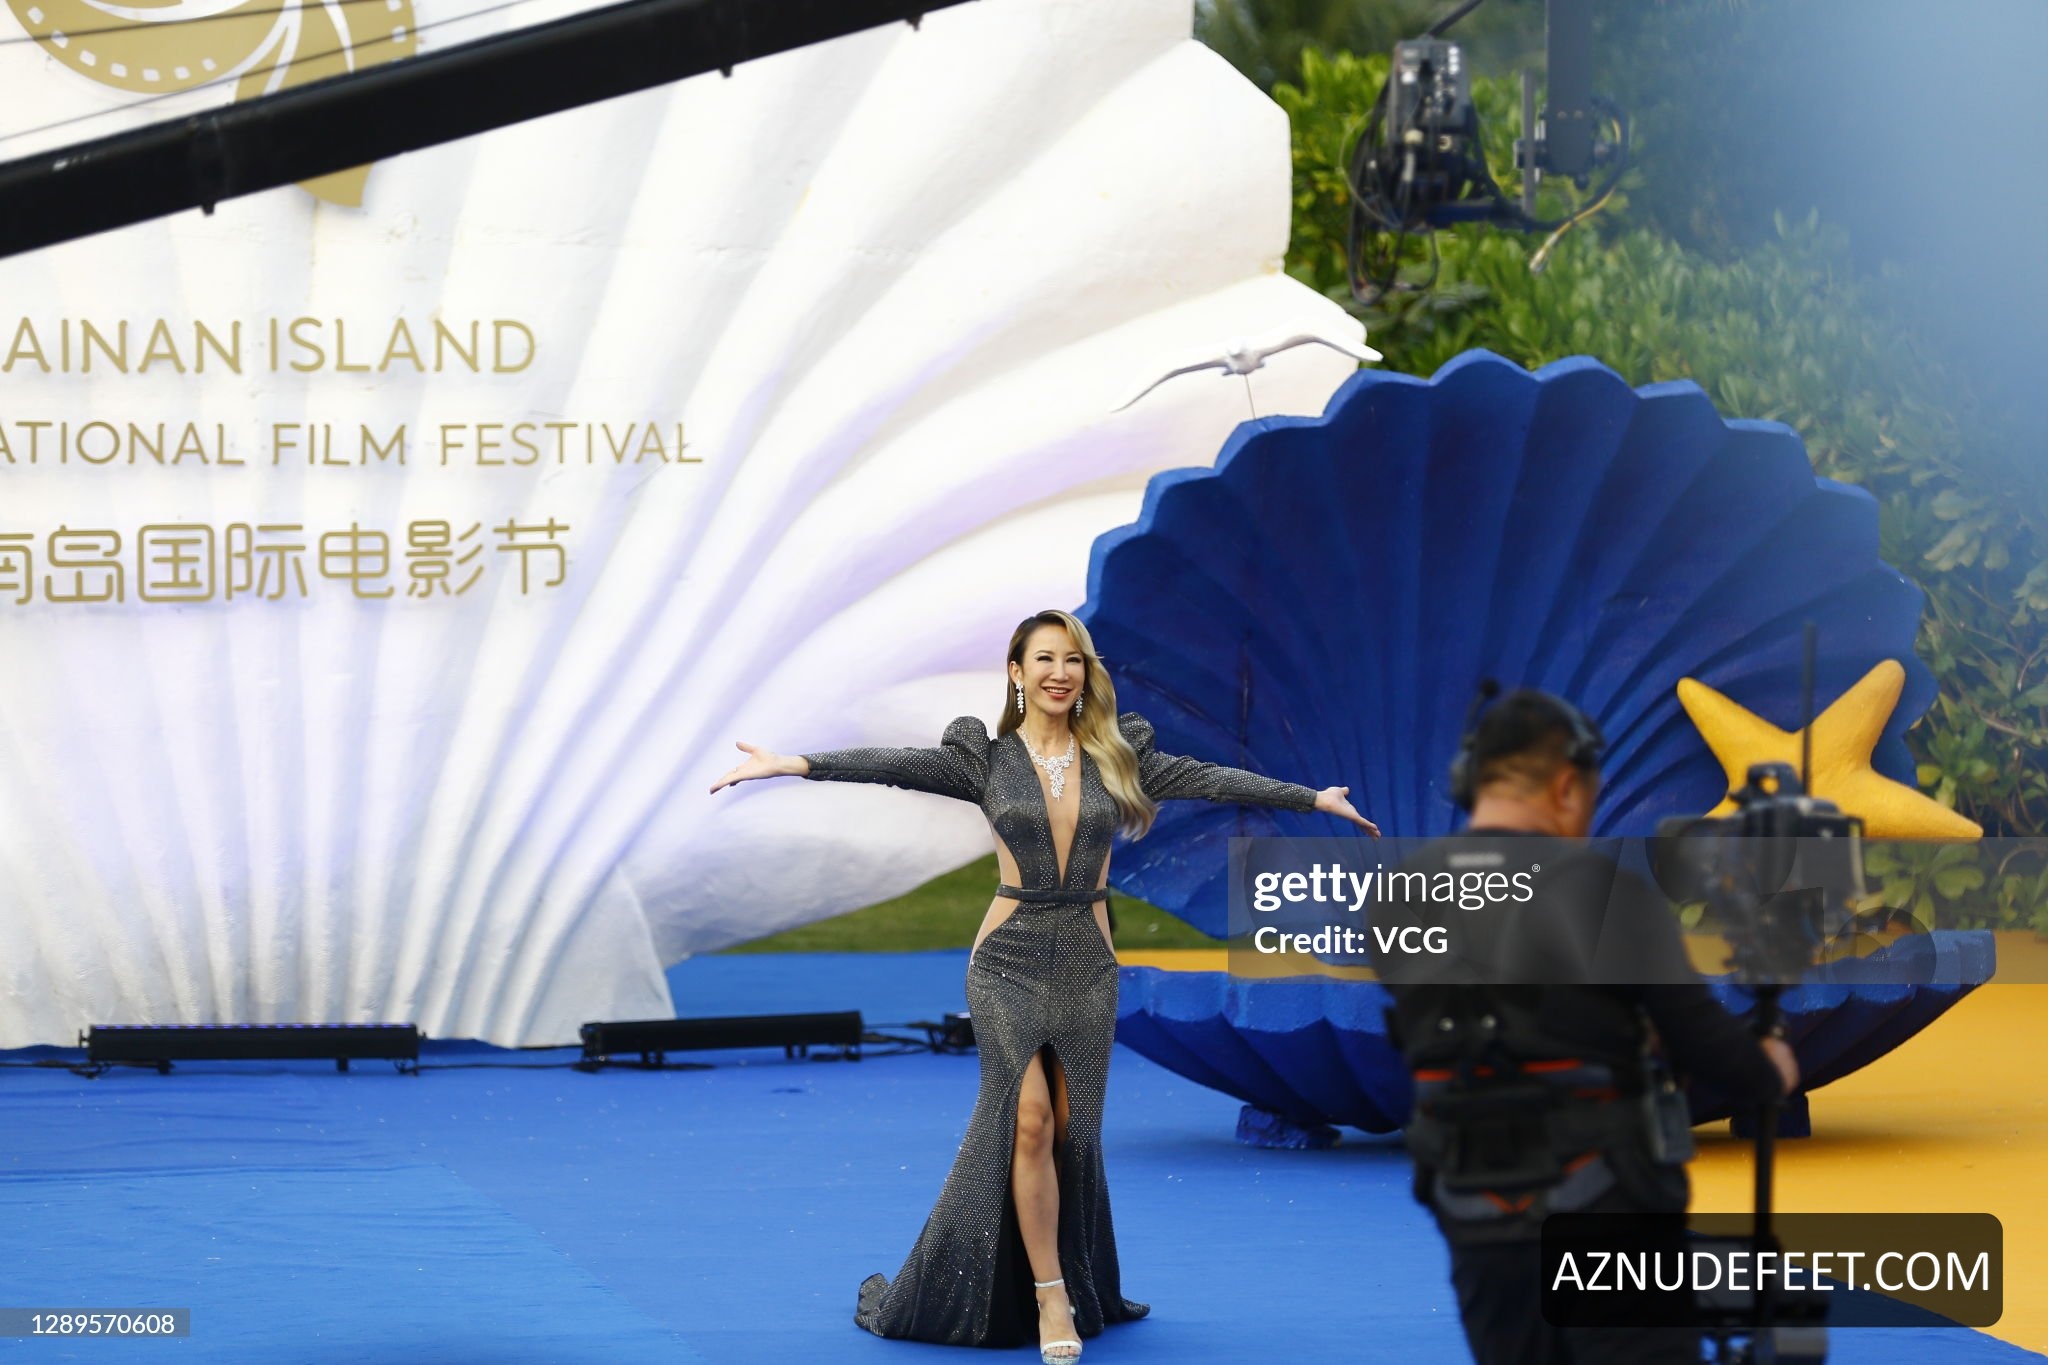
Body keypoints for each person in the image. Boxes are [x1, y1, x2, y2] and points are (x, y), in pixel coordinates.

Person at [711, 608, 1377, 1362]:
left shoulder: (1118, 758)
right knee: (1027, 1119)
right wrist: (792, 762)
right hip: (1006, 961)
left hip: (1089, 966)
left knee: (1069, 1133)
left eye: (1073, 659)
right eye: (1045, 659)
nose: (1060, 672)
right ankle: (1050, 1296)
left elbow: (1214, 779)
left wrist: (1311, 798)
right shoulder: (985, 758)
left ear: (1085, 674)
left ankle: (1064, 1275)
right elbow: (891, 763)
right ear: (1017, 672)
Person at [1377, 687, 1799, 1365]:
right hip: (1604, 1206)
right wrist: (1769, 1068)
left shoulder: (1399, 895)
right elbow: (1709, 1047)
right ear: (1567, 785)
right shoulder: (1605, 893)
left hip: (1473, 1207)